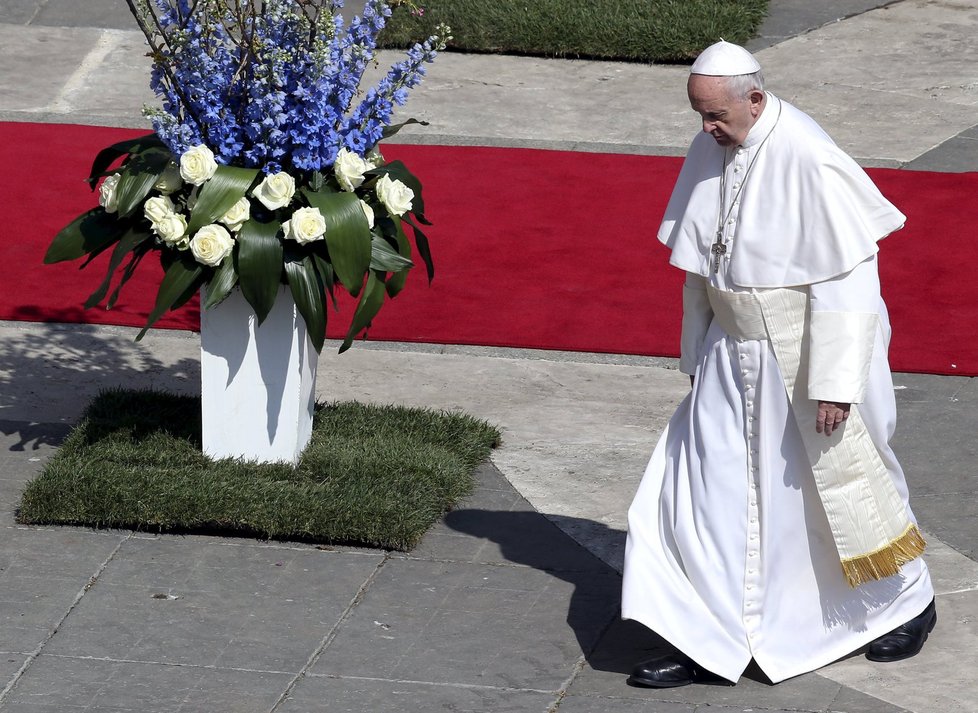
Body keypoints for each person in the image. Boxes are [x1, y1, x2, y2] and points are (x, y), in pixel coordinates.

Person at [620, 40, 936, 687]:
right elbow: (701, 264)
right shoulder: (716, 141)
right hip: (728, 358)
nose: (705, 131)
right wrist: (696, 349)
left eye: (715, 116)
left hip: (799, 360)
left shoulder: (807, 153)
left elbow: (850, 282)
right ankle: (702, 634)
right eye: (700, 115)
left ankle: (908, 602)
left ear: (755, 99)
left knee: (834, 497)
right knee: (703, 495)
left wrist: (836, 385)